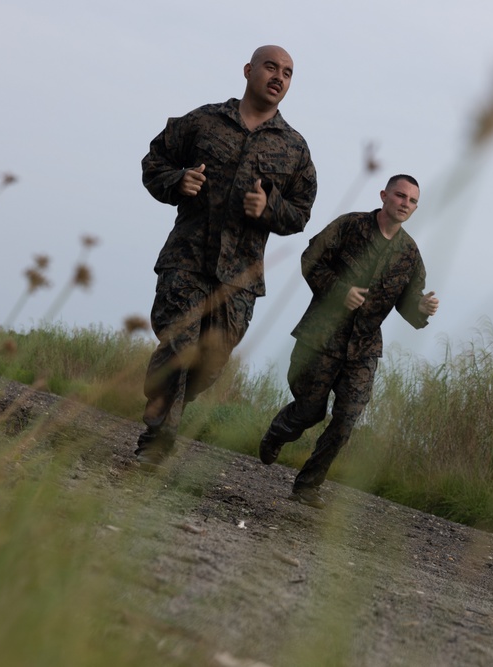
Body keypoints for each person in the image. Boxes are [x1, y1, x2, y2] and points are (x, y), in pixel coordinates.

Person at [135, 45, 318, 468]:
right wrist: (178, 180)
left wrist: (268, 209)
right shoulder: (202, 121)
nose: (279, 77)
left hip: (239, 277)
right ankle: (158, 434)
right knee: (179, 345)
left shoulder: (294, 149)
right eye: (271, 67)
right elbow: (154, 161)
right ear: (248, 70)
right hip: (188, 260)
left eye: (288, 73)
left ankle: (168, 403)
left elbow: (301, 212)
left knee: (211, 362)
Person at [259, 175, 439, 508]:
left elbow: (409, 303)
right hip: (321, 337)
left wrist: (422, 307)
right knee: (309, 412)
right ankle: (279, 431)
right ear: (384, 195)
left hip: (364, 349)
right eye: (400, 196)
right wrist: (340, 291)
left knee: (346, 419)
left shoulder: (410, 254)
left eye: (412, 201)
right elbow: (310, 258)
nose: (405, 204)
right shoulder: (350, 226)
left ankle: (308, 486)